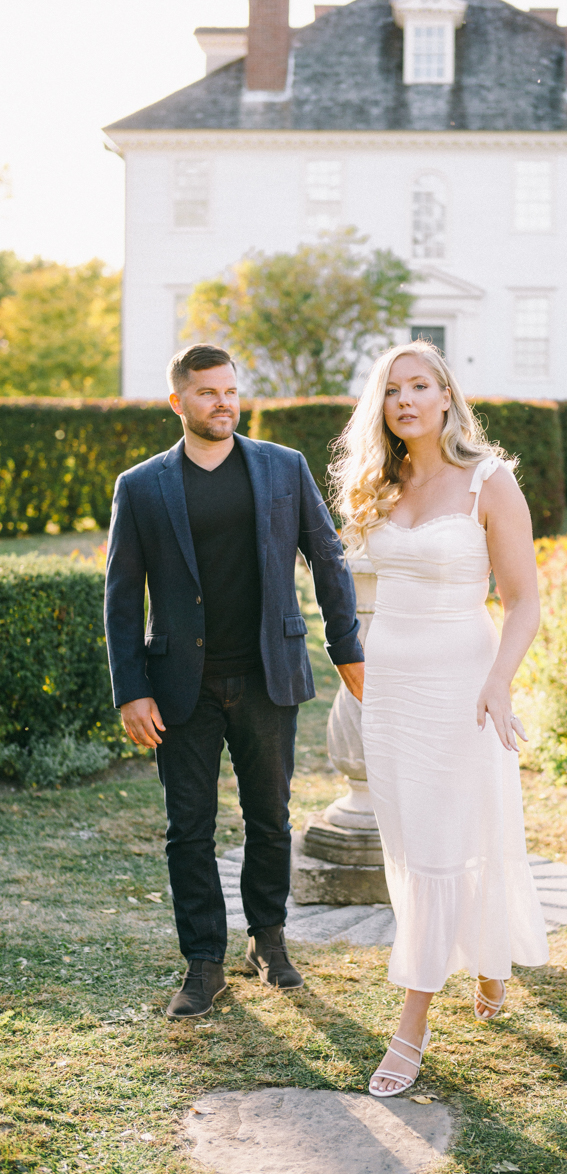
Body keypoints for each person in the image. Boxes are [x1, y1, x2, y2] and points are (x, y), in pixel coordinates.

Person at [104, 343, 365, 1019]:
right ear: (178, 402)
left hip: (266, 676)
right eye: (207, 393)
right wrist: (131, 688)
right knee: (186, 829)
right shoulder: (141, 487)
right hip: (179, 687)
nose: (223, 403)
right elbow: (122, 595)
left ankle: (269, 944)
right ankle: (204, 964)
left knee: (270, 820)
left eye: (230, 391)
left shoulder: (283, 468)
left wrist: (347, 646)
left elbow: (328, 558)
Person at [331, 340, 549, 1096]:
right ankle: (487, 961)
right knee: (412, 843)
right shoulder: (377, 485)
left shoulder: (491, 482)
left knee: (451, 837)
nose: (407, 400)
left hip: (464, 682)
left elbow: (524, 601)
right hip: (391, 687)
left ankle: (411, 1024)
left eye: (420, 385)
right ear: (382, 408)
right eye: (393, 391)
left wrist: (499, 682)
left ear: (447, 396)